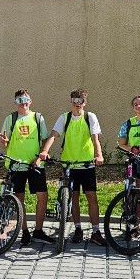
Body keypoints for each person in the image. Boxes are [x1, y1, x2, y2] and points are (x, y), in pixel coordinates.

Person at [40, 88, 106, 246]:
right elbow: (53, 136)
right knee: (73, 196)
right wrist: (44, 151)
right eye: (75, 101)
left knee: (91, 196)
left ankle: (96, 231)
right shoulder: (64, 117)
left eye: (80, 101)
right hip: (69, 165)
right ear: (71, 102)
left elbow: (95, 139)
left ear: (85, 102)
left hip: (87, 164)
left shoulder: (90, 117)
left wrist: (99, 155)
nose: (78, 104)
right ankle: (77, 229)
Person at [0, 89, 54, 245]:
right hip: (17, 165)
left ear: (30, 101)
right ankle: (24, 232)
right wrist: (4, 142)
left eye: (25, 100)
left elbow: (44, 140)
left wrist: (41, 156)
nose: (23, 103)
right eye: (19, 100)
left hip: (35, 164)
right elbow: (3, 144)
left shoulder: (38, 118)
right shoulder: (10, 118)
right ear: (15, 103)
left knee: (42, 196)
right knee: (19, 199)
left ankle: (38, 231)